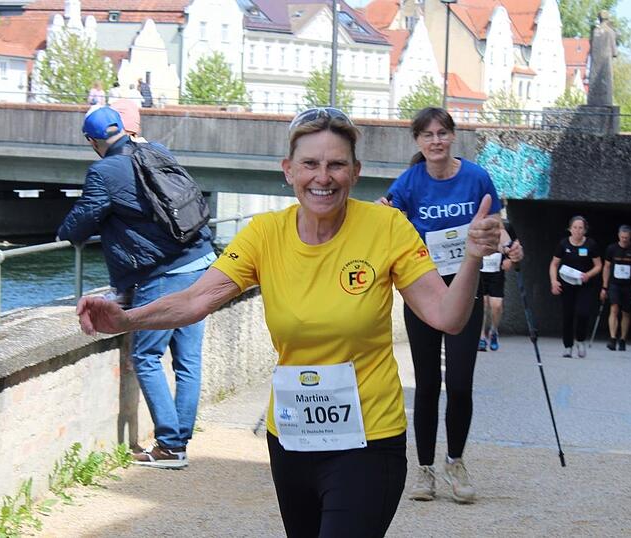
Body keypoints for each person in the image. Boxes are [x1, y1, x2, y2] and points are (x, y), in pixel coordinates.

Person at [76, 107, 502, 536]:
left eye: (336, 164)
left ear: (355, 172)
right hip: (292, 437)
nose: (323, 176)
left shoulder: (387, 227)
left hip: (368, 439)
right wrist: (126, 319)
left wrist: (471, 258)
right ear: (289, 170)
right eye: (310, 164)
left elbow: (447, 316)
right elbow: (195, 300)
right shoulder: (264, 234)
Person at [57, 106, 216, 469]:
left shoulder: (103, 170)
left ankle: (170, 447)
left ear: (92, 141)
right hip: (201, 261)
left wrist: (64, 231)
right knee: (187, 359)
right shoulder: (157, 151)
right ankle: (179, 441)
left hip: (164, 273)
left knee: (145, 356)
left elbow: (84, 219)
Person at [379, 107, 522, 504]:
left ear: (453, 136)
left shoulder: (476, 177)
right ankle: (424, 471)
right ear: (418, 142)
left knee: (459, 384)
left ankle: (455, 462)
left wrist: (509, 244)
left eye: (442, 133)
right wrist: (381, 213)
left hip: (465, 287)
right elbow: (385, 219)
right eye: (427, 135)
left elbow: (495, 224)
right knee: (426, 385)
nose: (436, 141)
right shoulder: (410, 181)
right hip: (423, 289)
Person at [549, 216, 602, 358]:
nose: (577, 231)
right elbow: (554, 264)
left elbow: (598, 266)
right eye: (575, 228)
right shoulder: (563, 244)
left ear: (585, 230)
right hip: (566, 284)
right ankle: (567, 346)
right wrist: (554, 281)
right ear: (570, 229)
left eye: (580, 228)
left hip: (584, 285)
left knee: (583, 313)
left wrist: (589, 274)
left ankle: (580, 340)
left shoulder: (590, 244)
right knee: (568, 315)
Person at [478, 222, 517, 352]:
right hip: (481, 270)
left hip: (497, 271)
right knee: (482, 304)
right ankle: (481, 337)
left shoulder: (506, 227)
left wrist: (509, 260)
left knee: (496, 305)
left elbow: (515, 245)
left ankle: (494, 331)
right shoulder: (477, 224)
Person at [600, 225, 631, 351]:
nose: (624, 240)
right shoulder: (612, 249)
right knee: (614, 308)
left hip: (628, 285)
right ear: (618, 236)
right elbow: (606, 266)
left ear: (630, 237)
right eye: (622, 237)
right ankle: (612, 338)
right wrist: (604, 286)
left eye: (626, 238)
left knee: (626, 312)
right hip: (614, 284)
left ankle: (622, 338)